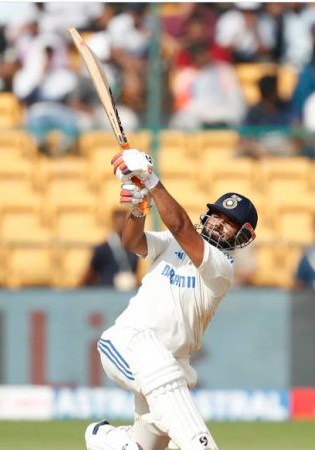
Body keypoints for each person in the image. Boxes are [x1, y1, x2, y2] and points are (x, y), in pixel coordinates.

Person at [83, 148, 258, 450]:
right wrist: (139, 208)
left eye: (228, 221)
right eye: (216, 215)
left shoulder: (222, 267)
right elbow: (132, 242)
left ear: (243, 235)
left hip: (172, 366)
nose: (218, 223)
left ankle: (106, 439)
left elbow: (180, 226)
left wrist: (151, 179)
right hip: (129, 342)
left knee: (145, 445)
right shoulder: (171, 243)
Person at [81, 209, 140, 291]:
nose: (120, 225)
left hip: (127, 292)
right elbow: (91, 273)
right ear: (113, 223)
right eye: (118, 222)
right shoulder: (103, 249)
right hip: (107, 292)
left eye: (123, 222)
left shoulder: (134, 249)